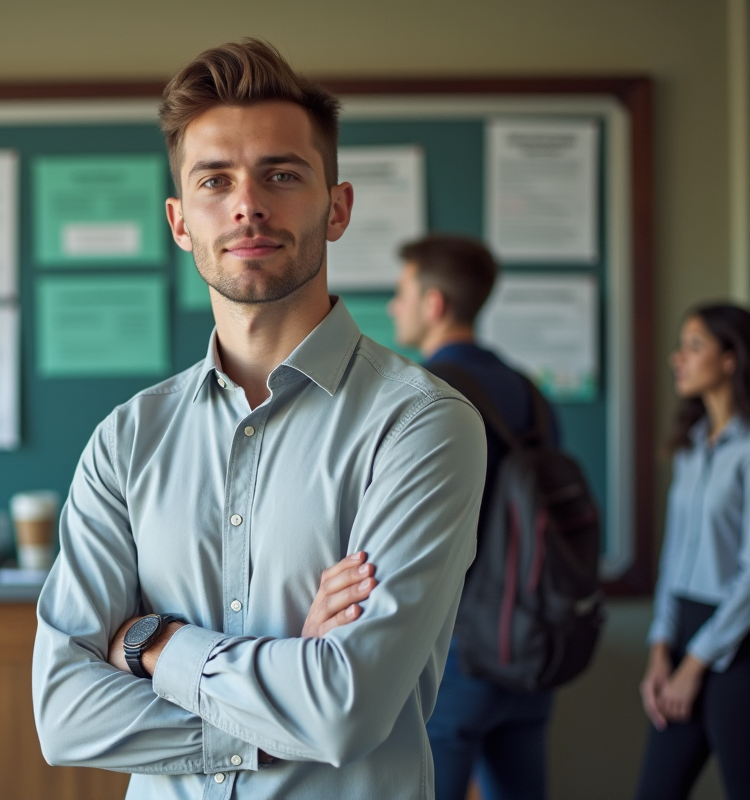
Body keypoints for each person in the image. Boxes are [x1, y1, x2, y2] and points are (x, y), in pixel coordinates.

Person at [32, 39, 486, 798]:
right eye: (216, 180)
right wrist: (279, 710)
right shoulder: (127, 439)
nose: (248, 203)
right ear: (180, 223)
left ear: (337, 207)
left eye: (282, 173)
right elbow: (64, 714)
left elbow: (344, 709)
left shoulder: (423, 425)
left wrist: (154, 644)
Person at [387, 234, 560, 800]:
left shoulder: (425, 394)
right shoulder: (530, 393)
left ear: (434, 305)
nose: (394, 306)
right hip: (532, 636)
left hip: (460, 642)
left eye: (403, 292)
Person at [633, 304, 750, 800]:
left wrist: (695, 664)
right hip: (683, 629)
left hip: (736, 641)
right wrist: (661, 651)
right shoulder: (689, 445)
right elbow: (672, 558)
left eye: (694, 345)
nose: (676, 358)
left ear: (732, 359)